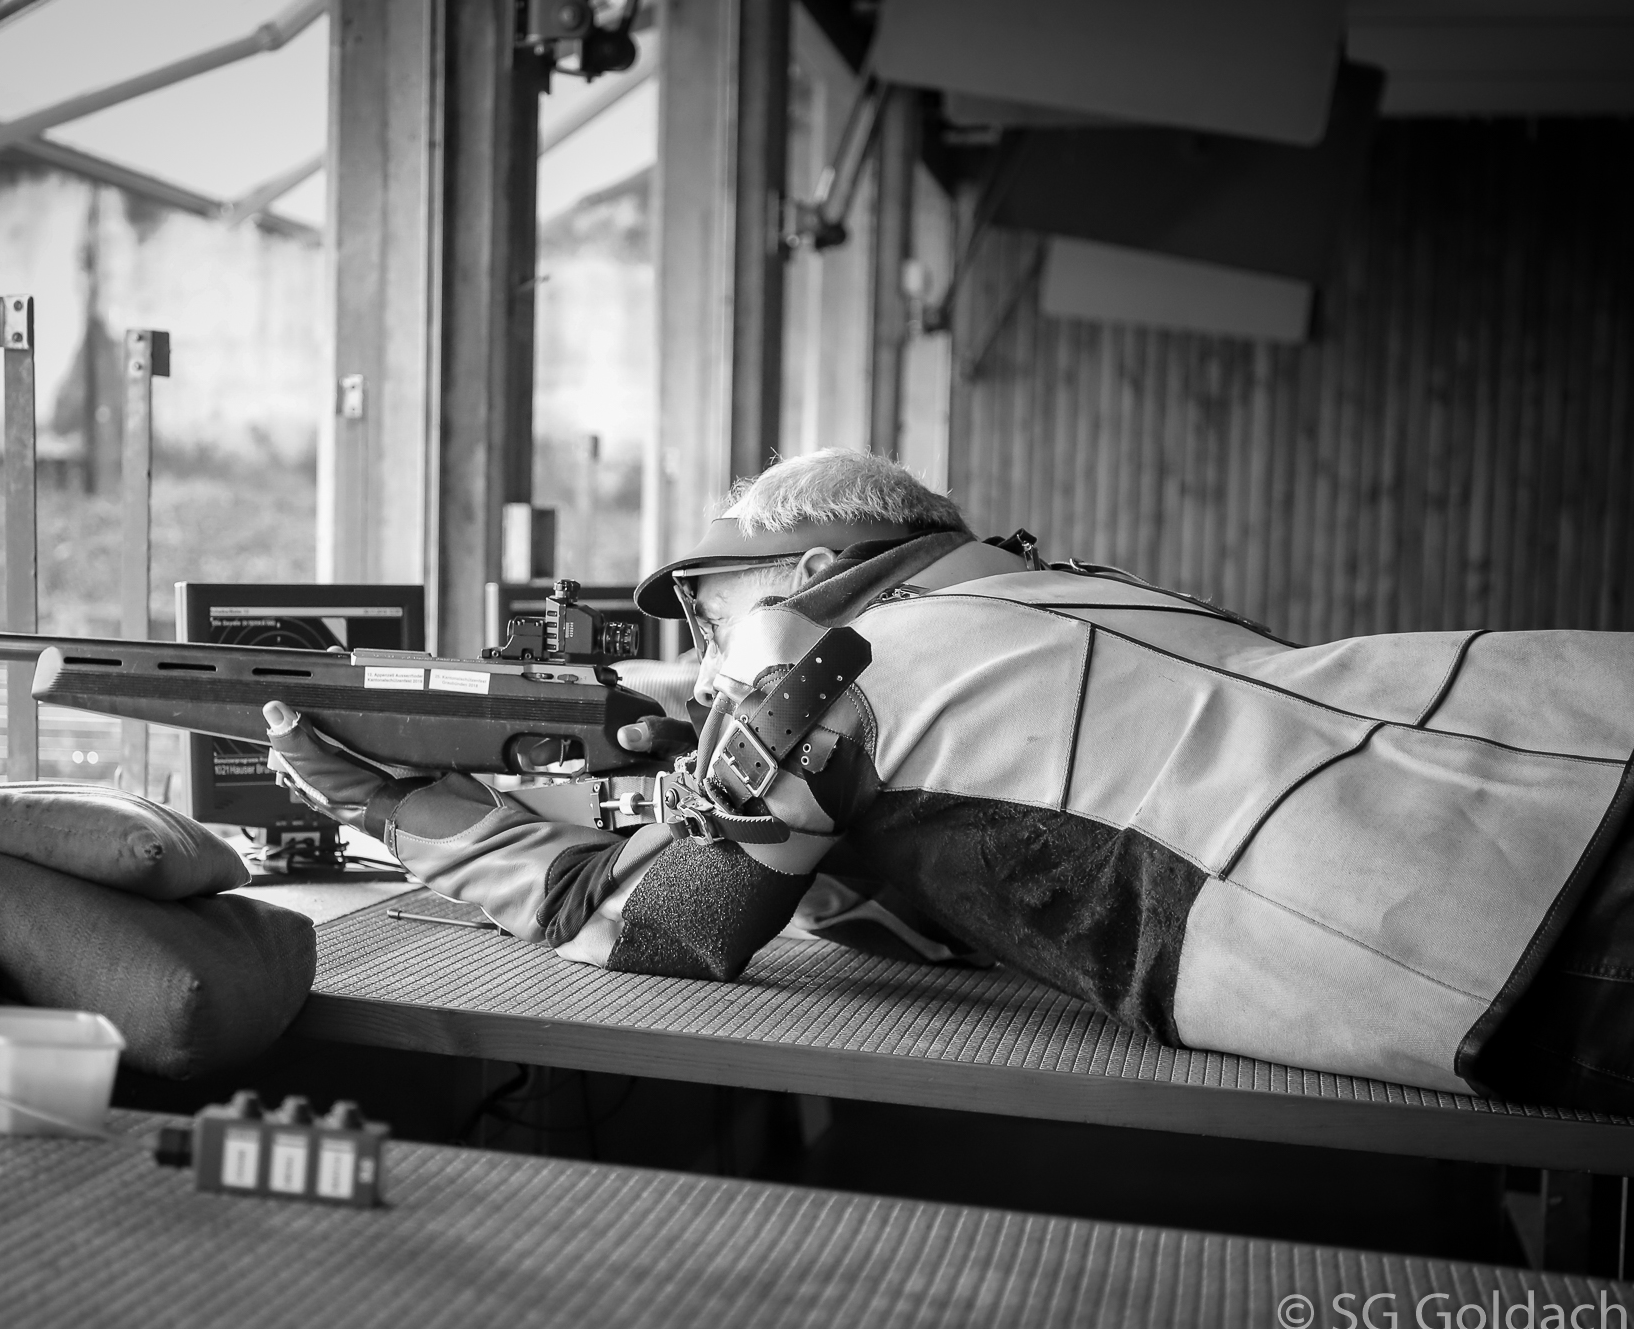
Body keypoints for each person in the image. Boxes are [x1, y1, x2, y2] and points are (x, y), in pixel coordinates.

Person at [264, 449, 1634, 1111]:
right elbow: (976, 866)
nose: (704, 650)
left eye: (708, 606)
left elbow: (646, 926)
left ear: (808, 575)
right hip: (1561, 738)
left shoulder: (834, 664)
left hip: (1519, 930)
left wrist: (394, 808)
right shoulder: (1068, 588)